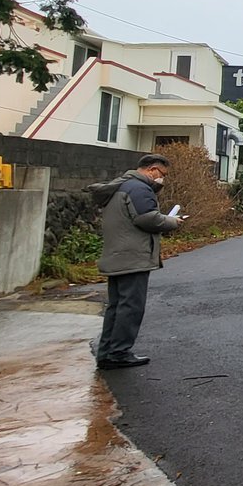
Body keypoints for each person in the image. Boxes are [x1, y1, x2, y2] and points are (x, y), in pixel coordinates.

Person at [90, 154, 184, 369]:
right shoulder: (139, 189)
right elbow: (148, 218)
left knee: (116, 306)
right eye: (162, 175)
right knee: (131, 306)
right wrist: (172, 221)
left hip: (117, 255)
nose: (162, 180)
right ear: (152, 170)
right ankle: (119, 352)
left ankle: (107, 352)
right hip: (133, 257)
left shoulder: (122, 186)